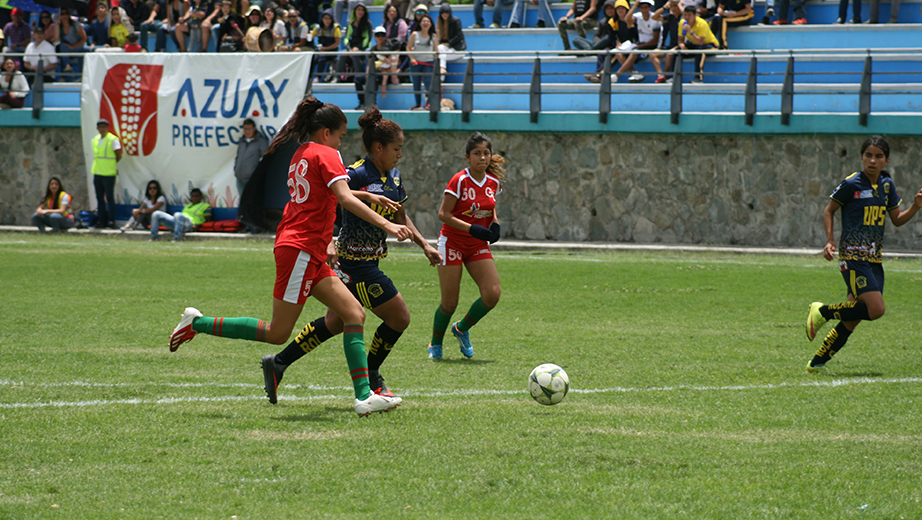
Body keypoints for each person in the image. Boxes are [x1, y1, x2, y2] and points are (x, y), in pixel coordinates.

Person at [168, 97, 412, 417]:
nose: (341, 142)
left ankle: (364, 396)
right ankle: (197, 323)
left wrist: (363, 194)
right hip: (300, 249)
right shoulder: (328, 153)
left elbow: (328, 194)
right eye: (339, 135)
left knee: (353, 314)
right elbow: (341, 198)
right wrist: (385, 224)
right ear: (326, 133)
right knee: (277, 333)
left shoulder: (302, 152)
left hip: (306, 250)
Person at [260, 106, 441, 404]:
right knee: (398, 317)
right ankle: (372, 380)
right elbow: (332, 197)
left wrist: (424, 245)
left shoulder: (394, 178)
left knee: (337, 321)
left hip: (368, 260)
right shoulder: (355, 172)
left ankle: (279, 363)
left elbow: (401, 215)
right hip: (351, 262)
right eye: (397, 148)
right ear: (378, 147)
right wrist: (330, 239)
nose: (400, 155)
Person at [805, 136, 922, 374]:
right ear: (862, 157)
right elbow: (829, 211)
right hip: (853, 257)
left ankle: (817, 362)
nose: (873, 160)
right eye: (869, 155)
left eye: (879, 156)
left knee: (852, 316)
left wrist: (916, 206)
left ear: (886, 160)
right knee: (876, 309)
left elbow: (897, 220)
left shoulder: (887, 186)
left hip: (874, 260)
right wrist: (830, 240)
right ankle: (822, 311)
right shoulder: (851, 184)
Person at [428, 132, 504, 360]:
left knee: (492, 294)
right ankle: (435, 344)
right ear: (467, 157)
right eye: (477, 153)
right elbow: (443, 214)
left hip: (476, 244)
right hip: (452, 242)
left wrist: (495, 224)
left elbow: (490, 208)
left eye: (486, 153)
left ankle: (461, 328)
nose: (482, 157)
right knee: (450, 302)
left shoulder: (493, 183)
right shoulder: (459, 180)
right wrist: (472, 228)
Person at [612, 0, 663, 83]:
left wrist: (638, 47)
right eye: (641, 8)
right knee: (618, 53)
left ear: (650, 8)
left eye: (646, 7)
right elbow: (627, 20)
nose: (644, 10)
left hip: (650, 47)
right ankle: (634, 73)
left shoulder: (654, 18)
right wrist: (635, 5)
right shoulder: (638, 16)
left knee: (634, 53)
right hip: (640, 45)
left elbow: (654, 41)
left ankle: (616, 75)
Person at [235, 118, 268, 231]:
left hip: (252, 178)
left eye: (249, 129)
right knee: (244, 203)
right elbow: (238, 156)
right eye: (245, 129)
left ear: (254, 129)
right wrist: (236, 169)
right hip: (240, 177)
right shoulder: (242, 141)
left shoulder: (261, 141)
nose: (247, 131)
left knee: (253, 203)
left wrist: (257, 175)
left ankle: (255, 225)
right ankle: (247, 225)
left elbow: (264, 159)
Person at [90, 118, 123, 229]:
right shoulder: (94, 140)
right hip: (97, 172)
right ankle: (101, 220)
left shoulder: (112, 139)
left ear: (108, 128)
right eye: (100, 127)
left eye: (104, 127)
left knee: (109, 197)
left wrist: (112, 164)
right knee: (99, 198)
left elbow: (118, 154)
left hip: (109, 172)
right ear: (97, 128)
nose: (102, 129)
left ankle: (111, 221)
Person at [674, 4, 718, 83]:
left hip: (711, 45)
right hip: (695, 44)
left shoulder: (702, 23)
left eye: (689, 15)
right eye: (685, 15)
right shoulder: (682, 23)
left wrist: (690, 31)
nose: (687, 17)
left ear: (695, 15)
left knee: (699, 51)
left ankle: (698, 77)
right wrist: (682, 47)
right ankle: (674, 77)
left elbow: (700, 42)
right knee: (677, 52)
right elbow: (680, 40)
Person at [578, 0, 618, 83]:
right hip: (598, 44)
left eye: (611, 8)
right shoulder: (602, 22)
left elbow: (612, 38)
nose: (609, 11)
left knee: (605, 44)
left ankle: (597, 73)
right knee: (576, 40)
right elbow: (596, 35)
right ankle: (591, 50)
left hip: (610, 45)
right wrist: (598, 43)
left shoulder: (617, 21)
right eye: (607, 9)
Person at [333, 4, 372, 82]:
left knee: (355, 54)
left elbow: (367, 39)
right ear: (355, 11)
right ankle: (337, 77)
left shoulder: (367, 24)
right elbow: (346, 38)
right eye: (358, 10)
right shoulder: (351, 24)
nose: (360, 12)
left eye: (362, 10)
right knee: (343, 54)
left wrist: (358, 48)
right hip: (352, 47)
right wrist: (349, 49)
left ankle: (360, 76)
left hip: (363, 47)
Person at [407, 13, 436, 109]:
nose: (425, 23)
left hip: (429, 62)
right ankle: (418, 103)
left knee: (428, 82)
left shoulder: (434, 36)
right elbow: (408, 47)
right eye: (424, 21)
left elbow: (436, 51)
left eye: (428, 21)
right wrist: (412, 58)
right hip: (416, 63)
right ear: (420, 23)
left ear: (431, 24)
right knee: (416, 83)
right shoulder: (415, 34)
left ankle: (429, 103)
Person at [436, 3, 465, 81]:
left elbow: (459, 36)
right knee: (439, 51)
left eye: (447, 12)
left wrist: (449, 43)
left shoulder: (455, 21)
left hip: (458, 49)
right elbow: (442, 40)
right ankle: (441, 76)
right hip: (447, 49)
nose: (444, 14)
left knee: (441, 53)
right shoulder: (440, 23)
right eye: (442, 12)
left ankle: (442, 73)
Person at [55, 7, 87, 77]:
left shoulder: (76, 24)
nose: (64, 16)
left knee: (64, 51)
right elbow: (56, 38)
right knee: (62, 47)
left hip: (77, 47)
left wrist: (73, 47)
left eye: (66, 14)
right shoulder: (59, 27)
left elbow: (84, 38)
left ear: (69, 15)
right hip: (67, 49)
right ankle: (67, 66)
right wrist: (57, 25)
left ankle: (78, 76)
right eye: (62, 14)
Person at [309, 9, 340, 78]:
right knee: (312, 58)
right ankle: (309, 77)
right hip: (322, 50)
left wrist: (325, 48)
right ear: (322, 19)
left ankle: (318, 77)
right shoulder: (318, 28)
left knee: (322, 57)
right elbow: (310, 37)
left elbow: (337, 43)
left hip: (332, 50)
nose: (327, 21)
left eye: (329, 19)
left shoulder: (335, 28)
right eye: (325, 18)